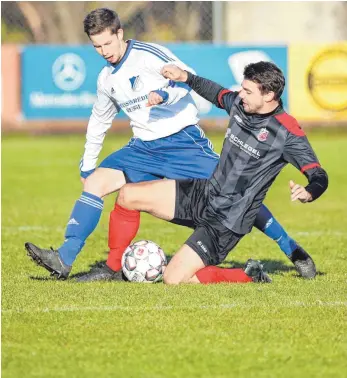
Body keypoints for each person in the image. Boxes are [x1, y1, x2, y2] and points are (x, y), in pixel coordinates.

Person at [24, 8, 318, 281]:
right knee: (95, 183)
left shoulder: (150, 55)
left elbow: (185, 80)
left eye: (107, 44)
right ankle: (72, 259)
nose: (104, 52)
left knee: (237, 194)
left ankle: (289, 246)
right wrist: (88, 164)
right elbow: (99, 119)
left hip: (183, 143)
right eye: (97, 47)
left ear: (120, 33)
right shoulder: (106, 79)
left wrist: (165, 96)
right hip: (143, 148)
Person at [102, 62, 329, 285]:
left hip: (227, 220)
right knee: (127, 195)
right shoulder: (241, 104)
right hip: (204, 193)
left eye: (248, 91)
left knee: (173, 278)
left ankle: (249, 275)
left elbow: (319, 175)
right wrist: (186, 77)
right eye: (242, 88)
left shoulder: (287, 132)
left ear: (269, 95)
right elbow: (217, 93)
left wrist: (309, 192)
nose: (240, 94)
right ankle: (112, 268)